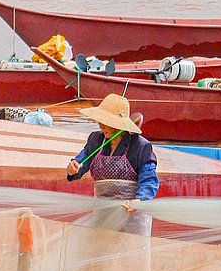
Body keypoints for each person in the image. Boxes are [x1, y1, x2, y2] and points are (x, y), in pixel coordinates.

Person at [66, 91, 158, 235]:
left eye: (107, 123)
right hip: (102, 213)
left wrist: (140, 200)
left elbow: (149, 180)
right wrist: (74, 167)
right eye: (101, 122)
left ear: (119, 125)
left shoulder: (140, 147)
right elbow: (82, 161)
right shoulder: (96, 140)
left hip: (131, 216)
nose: (102, 126)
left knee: (129, 254)